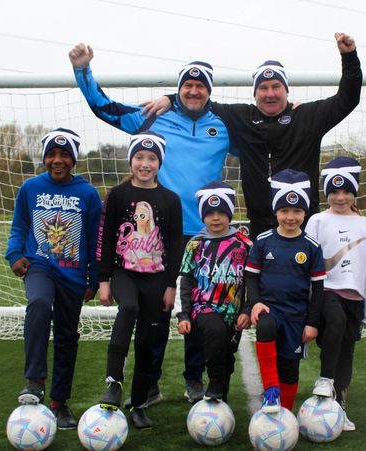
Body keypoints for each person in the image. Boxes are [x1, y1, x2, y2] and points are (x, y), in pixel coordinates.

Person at [69, 44, 233, 404]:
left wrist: (290, 114)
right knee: (154, 310)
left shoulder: (223, 126)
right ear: (179, 89)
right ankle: (150, 385)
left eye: (200, 85)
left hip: (207, 234)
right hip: (155, 236)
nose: (193, 90)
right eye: (187, 85)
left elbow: (262, 134)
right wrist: (83, 71)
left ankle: (194, 380)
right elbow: (105, 108)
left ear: (209, 91)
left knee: (200, 311)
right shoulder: (154, 115)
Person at [144, 32, 362, 239]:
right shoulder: (241, 116)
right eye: (263, 88)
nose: (270, 94)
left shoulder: (307, 116)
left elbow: (347, 98)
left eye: (276, 87)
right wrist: (172, 98)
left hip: (303, 223)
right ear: (255, 93)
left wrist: (349, 56)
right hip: (260, 228)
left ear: (286, 90)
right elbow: (198, 99)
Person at [5, 128, 102, 430]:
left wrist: (94, 279)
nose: (57, 161)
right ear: (44, 158)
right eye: (51, 155)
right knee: (38, 303)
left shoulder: (88, 194)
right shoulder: (30, 188)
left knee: (66, 338)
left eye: (64, 155)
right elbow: (19, 226)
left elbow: (95, 240)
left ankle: (60, 403)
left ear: (73, 160)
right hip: (40, 266)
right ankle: (34, 381)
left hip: (73, 276)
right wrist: (13, 254)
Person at [95, 132, 183, 429]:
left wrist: (171, 285)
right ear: (131, 160)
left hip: (157, 278)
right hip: (124, 273)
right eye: (139, 158)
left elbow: (174, 245)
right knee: (128, 308)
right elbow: (106, 238)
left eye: (152, 158)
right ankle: (113, 382)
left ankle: (139, 402)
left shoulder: (170, 200)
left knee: (149, 339)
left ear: (160, 162)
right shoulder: (118, 195)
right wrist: (104, 279)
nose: (145, 164)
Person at [304, 157, 366, 432]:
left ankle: (339, 407)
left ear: (354, 193)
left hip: (355, 300)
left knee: (346, 352)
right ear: (327, 193)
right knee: (334, 321)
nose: (340, 197)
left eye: (346, 191)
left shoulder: (365, 225)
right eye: (334, 191)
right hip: (326, 292)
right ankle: (325, 379)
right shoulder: (317, 221)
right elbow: (308, 263)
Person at [245, 169, 326, 413]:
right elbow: (251, 276)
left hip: (296, 316)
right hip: (270, 309)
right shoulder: (263, 241)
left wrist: (312, 323)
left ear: (305, 212)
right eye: (284, 211)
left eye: (297, 211)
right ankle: (271, 391)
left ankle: (287, 413)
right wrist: (256, 302)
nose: (290, 217)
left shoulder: (311, 247)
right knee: (266, 327)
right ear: (275, 211)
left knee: (289, 369)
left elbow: (318, 288)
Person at [176, 181, 253, 401]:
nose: (216, 218)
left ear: (230, 213)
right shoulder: (195, 244)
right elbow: (187, 280)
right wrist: (184, 314)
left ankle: (219, 400)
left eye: (221, 212)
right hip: (204, 307)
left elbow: (252, 282)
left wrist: (247, 309)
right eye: (210, 213)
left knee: (226, 358)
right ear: (202, 216)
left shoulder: (244, 245)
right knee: (215, 332)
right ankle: (214, 383)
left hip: (233, 313)